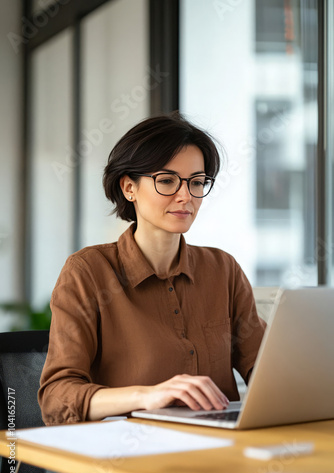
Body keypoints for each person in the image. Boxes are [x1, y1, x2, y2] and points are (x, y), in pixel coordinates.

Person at [38, 114, 266, 425]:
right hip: (127, 454)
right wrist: (147, 396)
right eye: (168, 180)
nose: (186, 196)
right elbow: (56, 397)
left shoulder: (222, 269)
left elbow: (267, 370)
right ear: (129, 187)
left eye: (196, 182)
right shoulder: (88, 271)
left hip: (220, 448)